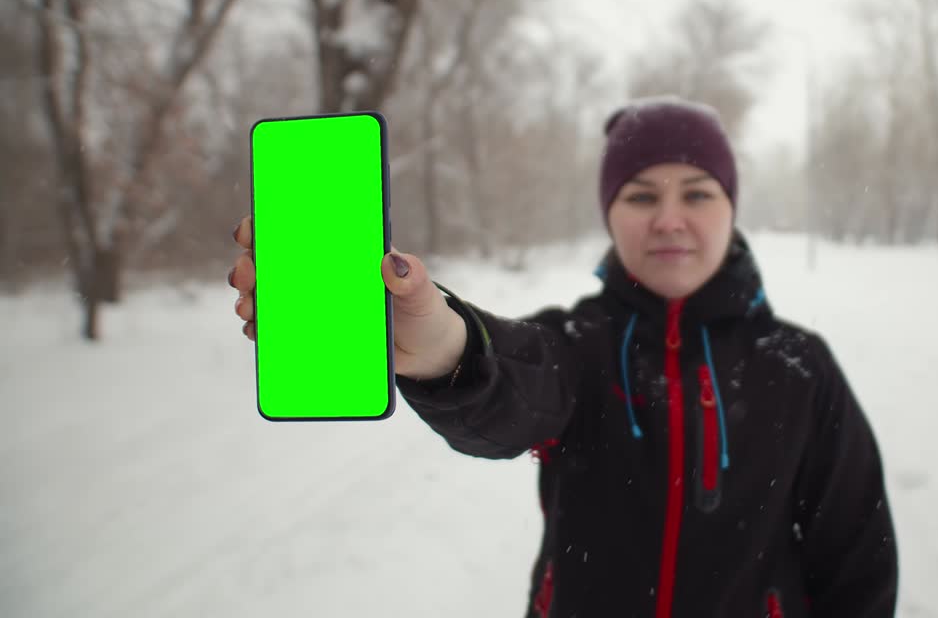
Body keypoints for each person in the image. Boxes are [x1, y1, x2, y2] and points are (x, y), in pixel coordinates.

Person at [228, 97, 898, 617]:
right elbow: (517, 383)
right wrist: (441, 343)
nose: (669, 219)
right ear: (610, 213)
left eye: (697, 192)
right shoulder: (577, 345)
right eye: (641, 195)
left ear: (731, 207)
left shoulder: (801, 368)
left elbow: (857, 564)